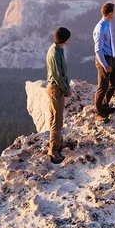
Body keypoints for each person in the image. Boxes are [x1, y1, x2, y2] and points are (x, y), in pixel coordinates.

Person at [46, 27, 71, 164]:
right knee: (57, 120)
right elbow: (57, 75)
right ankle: (54, 150)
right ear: (65, 39)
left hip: (53, 88)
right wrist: (66, 88)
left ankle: (56, 142)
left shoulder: (54, 49)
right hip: (56, 88)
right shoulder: (55, 53)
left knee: (53, 117)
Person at [93, 2, 115, 123]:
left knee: (114, 82)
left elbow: (110, 43)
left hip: (111, 57)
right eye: (114, 11)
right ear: (109, 13)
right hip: (103, 59)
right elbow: (98, 50)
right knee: (102, 86)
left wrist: (114, 56)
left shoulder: (109, 24)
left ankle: (105, 106)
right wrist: (105, 65)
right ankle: (98, 112)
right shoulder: (101, 28)